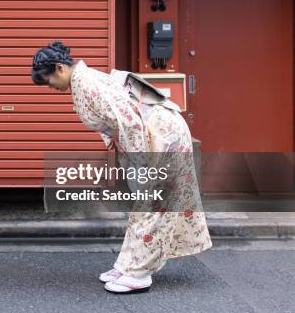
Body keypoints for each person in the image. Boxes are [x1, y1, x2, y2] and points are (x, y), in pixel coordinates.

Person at [31, 41, 212, 294]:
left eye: (48, 81)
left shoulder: (88, 85)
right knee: (145, 206)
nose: (50, 87)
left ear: (59, 68)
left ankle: (139, 274)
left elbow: (129, 122)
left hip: (161, 138)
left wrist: (143, 163)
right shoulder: (83, 81)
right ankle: (129, 265)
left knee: (152, 206)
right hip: (156, 135)